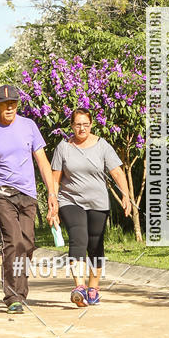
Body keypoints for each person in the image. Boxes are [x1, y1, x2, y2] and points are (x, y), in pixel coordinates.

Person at [0, 85, 56, 314]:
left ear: (17, 105)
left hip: (27, 194)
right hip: (0, 193)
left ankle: (19, 290)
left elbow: (42, 161)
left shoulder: (29, 127)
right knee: (14, 241)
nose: (9, 107)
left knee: (28, 243)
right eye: (4, 103)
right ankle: (13, 295)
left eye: (13, 103)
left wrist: (52, 193)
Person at [50, 107, 132, 306]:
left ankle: (93, 287)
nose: (82, 128)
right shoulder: (63, 148)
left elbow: (117, 172)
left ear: (91, 124)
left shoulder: (102, 146)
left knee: (95, 244)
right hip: (71, 200)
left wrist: (126, 195)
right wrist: (53, 202)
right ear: (71, 126)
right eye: (77, 125)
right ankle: (79, 287)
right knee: (78, 238)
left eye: (85, 124)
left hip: (98, 202)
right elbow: (54, 179)